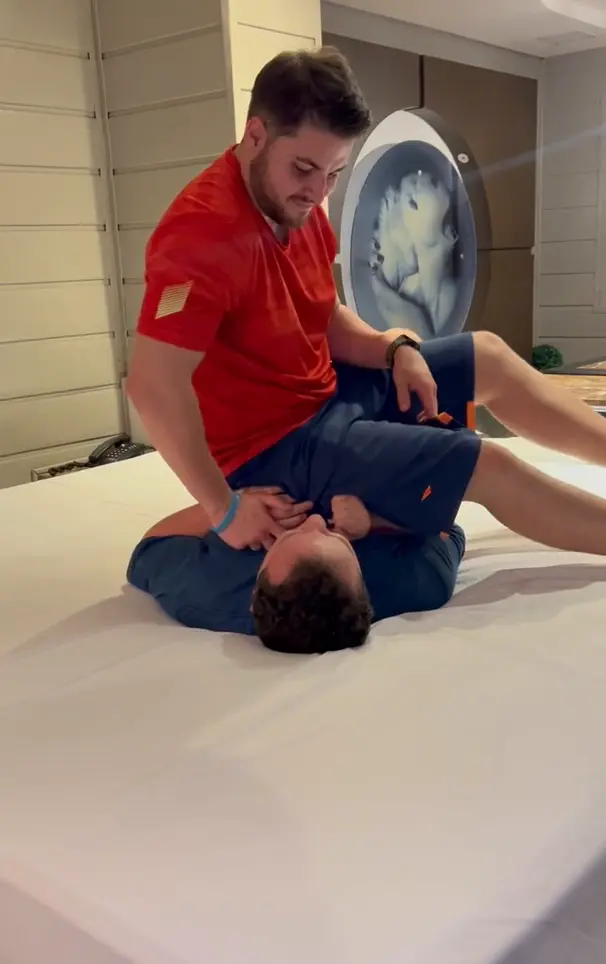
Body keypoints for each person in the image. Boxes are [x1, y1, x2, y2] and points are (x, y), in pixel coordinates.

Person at [127, 45, 606, 654]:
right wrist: (223, 510)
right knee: (481, 463)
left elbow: (323, 316)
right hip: (277, 448)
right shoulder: (201, 234)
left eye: (333, 174)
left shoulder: (298, 206)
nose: (316, 191)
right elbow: (152, 385)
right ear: (255, 134)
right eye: (304, 169)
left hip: (327, 397)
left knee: (485, 355)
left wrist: (392, 347)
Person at [127, 487, 467, 651]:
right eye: (334, 537)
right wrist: (375, 521)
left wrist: (233, 507)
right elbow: (448, 528)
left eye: (286, 539)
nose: (315, 519)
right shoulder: (413, 582)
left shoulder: (207, 590)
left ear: (254, 592)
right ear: (364, 589)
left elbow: (150, 545)